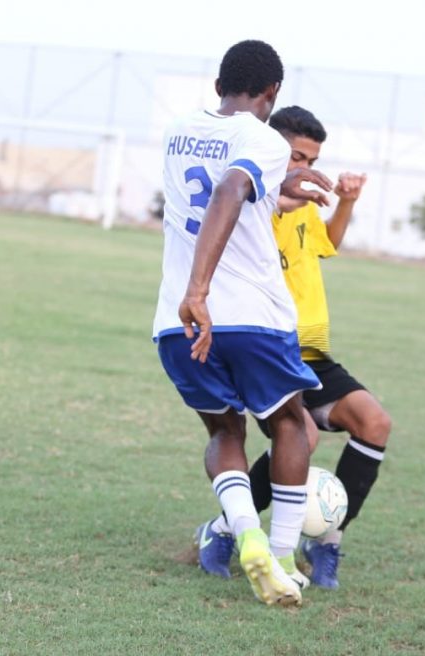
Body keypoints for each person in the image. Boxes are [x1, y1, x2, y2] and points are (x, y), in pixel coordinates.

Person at [152, 41, 332, 607]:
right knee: (291, 424)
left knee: (224, 433)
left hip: (177, 323)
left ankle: (246, 533)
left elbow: (222, 187)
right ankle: (281, 557)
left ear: (218, 86)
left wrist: (277, 190)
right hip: (250, 316)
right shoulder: (265, 139)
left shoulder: (178, 130)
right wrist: (201, 289)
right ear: (273, 92)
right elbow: (230, 188)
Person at [195, 106, 392, 591]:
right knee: (302, 434)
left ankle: (327, 540)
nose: (304, 167)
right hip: (270, 344)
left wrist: (346, 202)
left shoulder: (303, 203)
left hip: (312, 351)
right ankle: (224, 531)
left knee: (374, 422)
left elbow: (326, 243)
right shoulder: (255, 202)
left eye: (311, 159)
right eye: (296, 157)